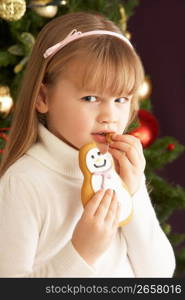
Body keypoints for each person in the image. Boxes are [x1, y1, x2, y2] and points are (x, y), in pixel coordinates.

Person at [0, 12, 175, 278]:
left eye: (121, 99)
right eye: (91, 97)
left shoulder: (115, 174)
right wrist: (81, 252)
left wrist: (135, 190)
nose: (110, 116)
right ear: (43, 97)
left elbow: (159, 273)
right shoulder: (23, 182)